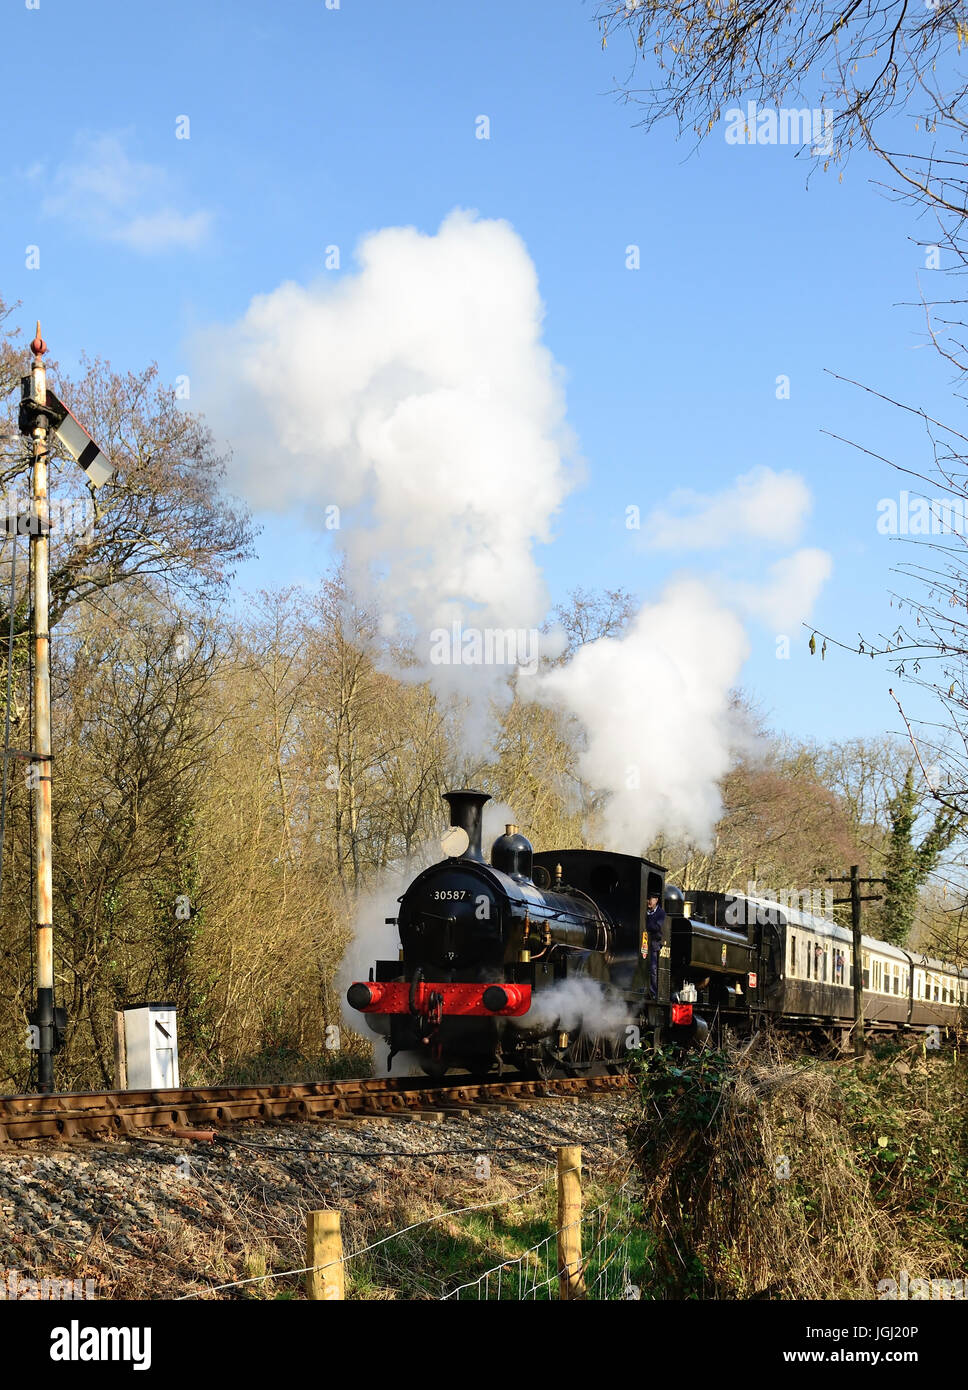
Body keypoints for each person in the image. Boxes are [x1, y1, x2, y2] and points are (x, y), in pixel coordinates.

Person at [644, 893, 666, 999]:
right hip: (644, 942)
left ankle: (653, 992)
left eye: (651, 899)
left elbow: (656, 927)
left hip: (654, 943)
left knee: (653, 968)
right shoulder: (645, 911)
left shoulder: (661, 913)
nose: (649, 901)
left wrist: (646, 922)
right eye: (648, 899)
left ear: (656, 900)